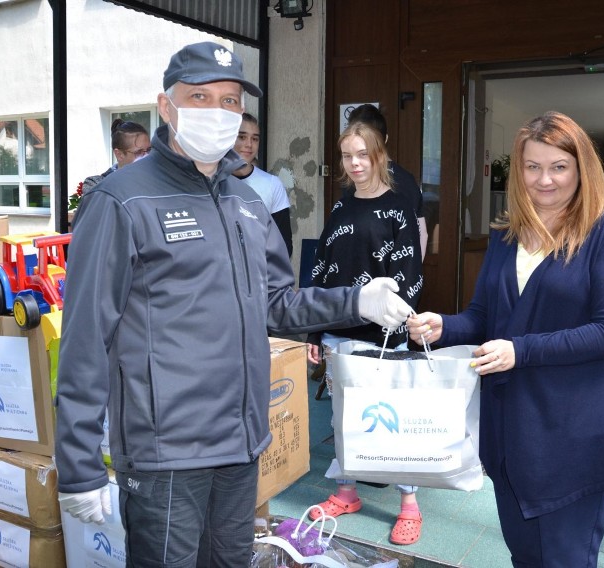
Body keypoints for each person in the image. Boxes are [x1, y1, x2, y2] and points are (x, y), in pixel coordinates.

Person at [53, 41, 413, 568]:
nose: (217, 112)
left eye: (229, 101)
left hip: (241, 444)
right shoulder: (121, 201)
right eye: (199, 96)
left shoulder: (245, 202)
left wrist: (358, 300)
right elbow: (85, 335)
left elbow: (275, 304)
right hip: (166, 455)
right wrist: (79, 464)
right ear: (166, 105)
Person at [407, 111, 604, 567]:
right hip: (511, 428)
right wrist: (444, 325)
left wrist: (521, 350)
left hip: (573, 432)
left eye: (559, 166)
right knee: (525, 556)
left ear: (582, 169)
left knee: (565, 559)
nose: (544, 180)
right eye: (533, 167)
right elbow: (484, 316)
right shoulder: (505, 236)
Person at [306, 121, 425, 545]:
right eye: (346, 156)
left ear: (379, 156)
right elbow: (320, 271)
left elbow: (410, 275)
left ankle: (409, 505)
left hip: (382, 340)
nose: (354, 164)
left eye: (362, 154)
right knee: (343, 419)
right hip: (339, 333)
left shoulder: (399, 207)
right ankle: (346, 493)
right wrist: (314, 332)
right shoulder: (341, 207)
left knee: (391, 421)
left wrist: (393, 328)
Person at [346, 103, 427, 260]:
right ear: (386, 138)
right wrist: (412, 273)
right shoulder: (408, 180)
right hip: (401, 275)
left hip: (363, 276)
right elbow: (421, 232)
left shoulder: (356, 179)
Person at [232, 112, 293, 257]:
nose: (249, 144)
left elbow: (284, 246)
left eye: (255, 139)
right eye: (242, 137)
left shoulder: (272, 184)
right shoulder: (211, 181)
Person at [81, 119, 150, 194]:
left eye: (149, 150)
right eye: (138, 152)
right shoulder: (95, 184)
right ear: (119, 154)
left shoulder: (156, 180)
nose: (147, 156)